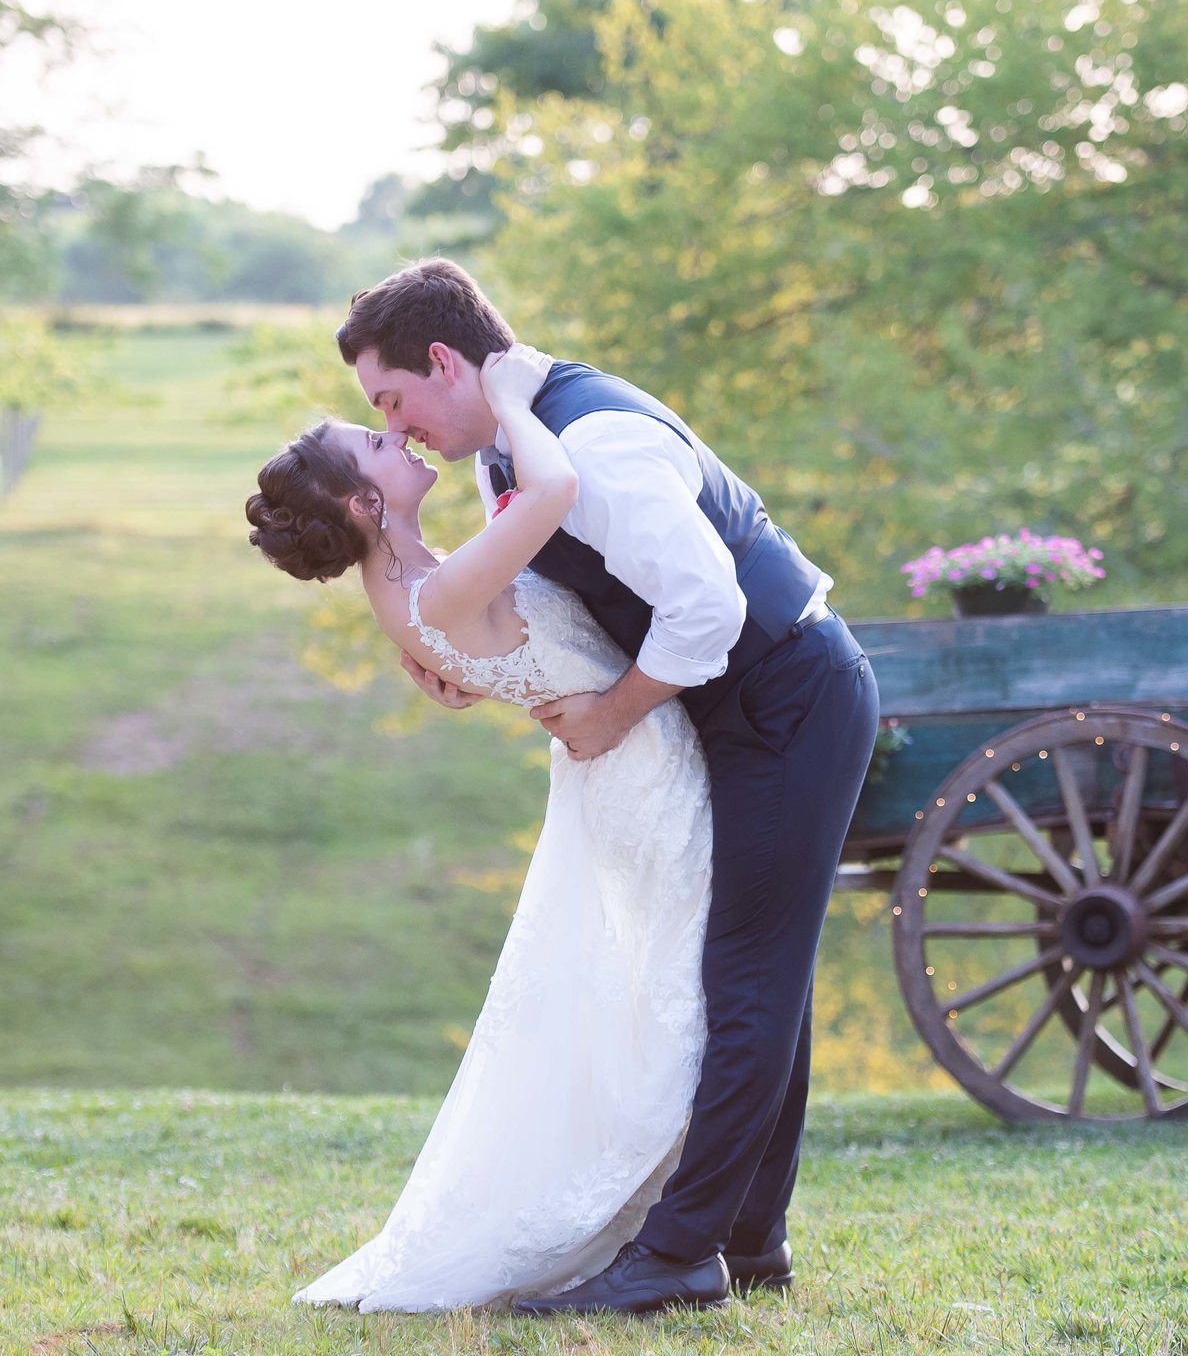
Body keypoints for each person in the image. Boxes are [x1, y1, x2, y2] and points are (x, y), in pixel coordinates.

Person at [339, 258, 879, 1315]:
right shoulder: (518, 440)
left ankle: (679, 1255)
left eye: (393, 400)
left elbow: (708, 612)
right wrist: (468, 656)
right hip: (735, 706)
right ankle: (746, 1237)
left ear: (445, 361)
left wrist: (610, 714)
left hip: (790, 697)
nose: (396, 430)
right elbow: (567, 589)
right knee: (764, 976)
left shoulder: (593, 439)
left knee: (747, 976)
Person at [248, 344, 713, 1311]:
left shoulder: (415, 585)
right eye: (374, 438)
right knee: (678, 994)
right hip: (642, 775)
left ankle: (684, 1216)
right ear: (361, 507)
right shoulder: (439, 591)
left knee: (654, 992)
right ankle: (674, 1223)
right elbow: (554, 485)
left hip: (616, 771)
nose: (398, 433)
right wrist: (506, 395)